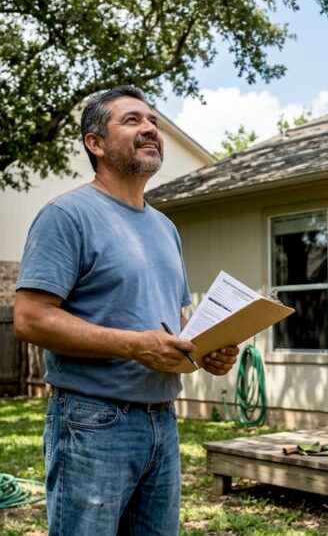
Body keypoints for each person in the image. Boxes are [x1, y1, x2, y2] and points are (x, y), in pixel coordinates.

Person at [13, 85, 239, 535]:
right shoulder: (67, 216)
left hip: (162, 419)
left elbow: (174, 322)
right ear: (95, 143)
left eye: (152, 121)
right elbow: (30, 317)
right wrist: (135, 347)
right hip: (92, 422)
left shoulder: (165, 227)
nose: (150, 129)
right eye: (132, 120)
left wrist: (206, 349)